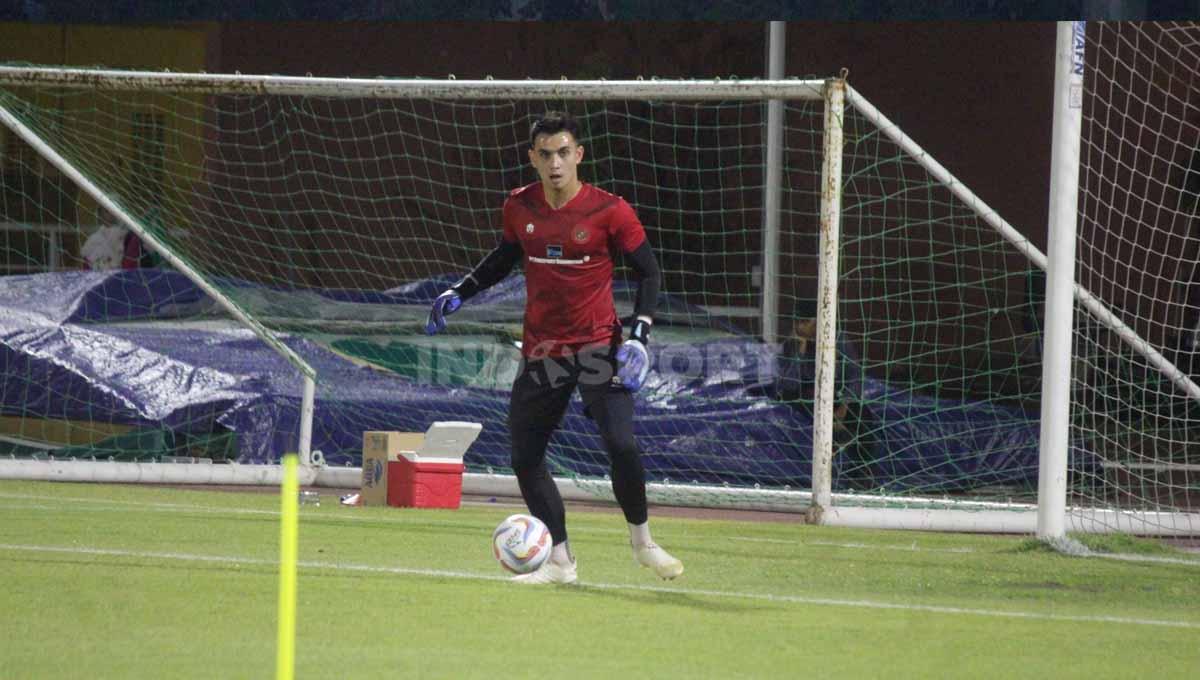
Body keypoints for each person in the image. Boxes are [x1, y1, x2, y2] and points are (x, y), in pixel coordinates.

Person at [425, 110, 683, 585]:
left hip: (598, 349)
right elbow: (505, 256)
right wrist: (461, 289)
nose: (555, 162)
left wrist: (641, 336)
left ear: (578, 155)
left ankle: (643, 544)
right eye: (545, 154)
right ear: (533, 158)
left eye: (564, 152)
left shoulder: (610, 210)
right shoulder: (519, 207)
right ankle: (561, 563)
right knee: (525, 457)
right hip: (542, 353)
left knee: (622, 444)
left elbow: (650, 271)